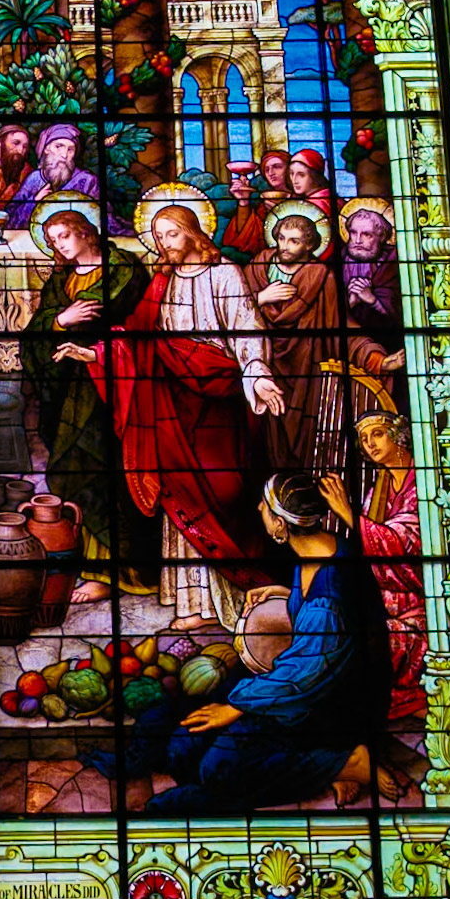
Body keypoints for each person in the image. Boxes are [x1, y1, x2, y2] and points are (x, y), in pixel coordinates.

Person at [96, 473, 393, 812]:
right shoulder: (323, 548)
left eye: (265, 506)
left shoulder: (329, 593)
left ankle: (344, 762)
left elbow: (306, 671)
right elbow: (328, 626)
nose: (258, 509)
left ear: (280, 524)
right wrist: (286, 594)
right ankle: (323, 769)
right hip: (303, 684)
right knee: (182, 746)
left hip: (327, 707)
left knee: (216, 770)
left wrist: (235, 708)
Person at [55, 201, 285, 629]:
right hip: (171, 404)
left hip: (218, 400)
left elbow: (247, 329)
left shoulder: (224, 274)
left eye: (172, 233)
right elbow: (138, 338)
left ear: (193, 232)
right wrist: (96, 355)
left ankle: (236, 595)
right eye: (159, 236)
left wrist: (257, 375)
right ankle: (195, 603)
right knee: (180, 496)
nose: (165, 243)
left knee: (226, 493)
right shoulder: (162, 280)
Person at [19, 204, 150, 602]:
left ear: (86, 232)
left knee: (111, 471)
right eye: (52, 240)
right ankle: (94, 566)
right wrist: (61, 321)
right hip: (71, 390)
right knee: (80, 470)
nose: (59, 245)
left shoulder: (124, 269)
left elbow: (132, 320)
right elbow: (38, 330)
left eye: (64, 235)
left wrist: (79, 328)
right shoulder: (61, 280)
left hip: (117, 383)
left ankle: (119, 569)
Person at [319, 412, 427, 721]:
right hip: (383, 601)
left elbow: (402, 544)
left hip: (419, 606)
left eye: (377, 434)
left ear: (399, 435)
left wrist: (346, 512)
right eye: (364, 439)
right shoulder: (377, 491)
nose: (370, 444)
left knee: (367, 643)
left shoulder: (422, 483)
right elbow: (365, 551)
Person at [244, 205, 341, 470]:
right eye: (281, 238)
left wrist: (373, 356)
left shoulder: (322, 277)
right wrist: (260, 298)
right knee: (265, 435)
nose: (284, 246)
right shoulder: (257, 267)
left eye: (294, 241)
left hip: (306, 370)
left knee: (304, 435)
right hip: (262, 360)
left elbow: (337, 327)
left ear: (309, 245)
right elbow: (230, 311)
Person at [8, 124, 109, 231]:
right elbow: (10, 218)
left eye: (70, 149)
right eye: (58, 146)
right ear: (46, 149)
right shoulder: (34, 179)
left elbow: (105, 217)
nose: (64, 155)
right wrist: (35, 201)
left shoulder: (88, 181)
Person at [341, 198, 403, 345]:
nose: (357, 240)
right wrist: (351, 303)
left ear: (382, 237)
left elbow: (404, 313)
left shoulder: (394, 264)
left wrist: (372, 300)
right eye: (353, 232)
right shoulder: (337, 261)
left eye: (367, 234)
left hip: (390, 341)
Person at [218, 149, 291, 260]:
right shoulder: (263, 206)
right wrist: (243, 201)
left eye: (277, 167)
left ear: (290, 169)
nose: (271, 173)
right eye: (266, 169)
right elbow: (245, 240)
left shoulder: (302, 201)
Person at [287, 147, 334, 256]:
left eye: (301, 175)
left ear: (314, 176)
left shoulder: (317, 204)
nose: (294, 180)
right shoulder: (326, 196)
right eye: (291, 173)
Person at [0, 124, 34, 208]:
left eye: (25, 147)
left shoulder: (27, 171)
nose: (20, 150)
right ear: (0, 141)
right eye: (16, 143)